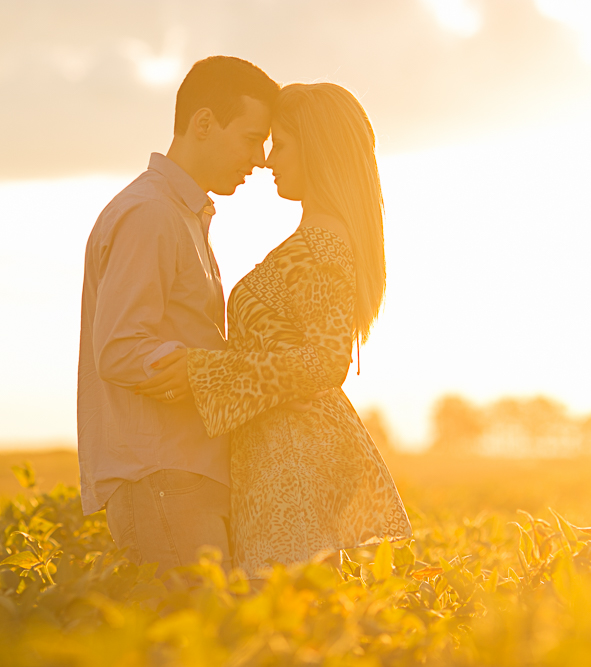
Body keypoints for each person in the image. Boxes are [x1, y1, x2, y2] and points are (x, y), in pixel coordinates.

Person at [136, 82, 413, 578]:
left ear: (319, 150)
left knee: (284, 615)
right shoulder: (315, 236)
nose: (266, 160)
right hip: (275, 456)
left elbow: (326, 361)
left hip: (293, 463)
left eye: (280, 145)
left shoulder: (325, 241)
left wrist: (204, 371)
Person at [77, 56, 279, 574]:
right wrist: (205, 371)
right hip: (163, 477)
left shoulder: (180, 214)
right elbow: (119, 349)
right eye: (252, 138)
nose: (259, 159)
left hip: (185, 474)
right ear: (204, 123)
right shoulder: (151, 214)